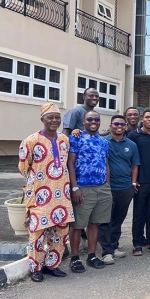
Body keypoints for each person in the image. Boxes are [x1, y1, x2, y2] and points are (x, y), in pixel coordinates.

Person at [18, 103, 74, 282]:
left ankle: (52, 265)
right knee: (37, 234)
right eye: (50, 117)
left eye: (57, 117)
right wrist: (39, 182)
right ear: (42, 119)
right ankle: (36, 268)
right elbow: (23, 168)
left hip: (62, 196)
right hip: (39, 196)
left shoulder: (64, 139)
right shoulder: (31, 140)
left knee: (60, 233)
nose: (54, 120)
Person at [67, 110, 112, 273]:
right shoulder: (76, 138)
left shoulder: (103, 141)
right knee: (78, 225)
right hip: (83, 188)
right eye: (90, 119)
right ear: (83, 121)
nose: (93, 122)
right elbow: (70, 164)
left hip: (102, 188)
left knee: (95, 223)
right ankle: (74, 257)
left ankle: (92, 255)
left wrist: (107, 184)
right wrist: (75, 187)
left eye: (96, 119)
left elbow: (105, 163)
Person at [99, 115, 140, 265]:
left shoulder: (131, 145)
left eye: (122, 124)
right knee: (105, 220)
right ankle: (106, 251)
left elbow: (135, 165)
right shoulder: (103, 142)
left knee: (118, 219)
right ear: (110, 126)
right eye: (116, 124)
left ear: (126, 126)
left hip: (125, 187)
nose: (119, 126)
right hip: (107, 187)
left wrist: (133, 183)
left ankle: (114, 246)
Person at [127, 109, 150, 256]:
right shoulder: (134, 135)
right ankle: (137, 243)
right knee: (139, 213)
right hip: (141, 181)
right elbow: (130, 159)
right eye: (147, 117)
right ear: (142, 118)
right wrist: (133, 181)